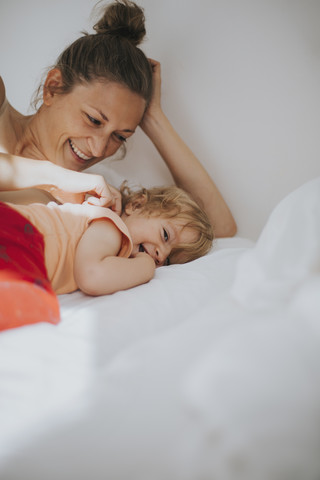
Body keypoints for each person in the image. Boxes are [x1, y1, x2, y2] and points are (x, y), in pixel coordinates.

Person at [0, 0, 236, 237]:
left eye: (119, 136)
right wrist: (54, 177)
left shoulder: (96, 197)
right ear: (53, 88)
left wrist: (154, 119)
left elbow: (218, 228)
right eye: (94, 120)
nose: (99, 149)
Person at [0, 183, 214, 331]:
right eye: (165, 235)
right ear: (136, 205)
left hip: (18, 242)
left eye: (168, 260)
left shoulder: (114, 249)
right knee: (33, 310)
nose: (161, 255)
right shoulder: (110, 225)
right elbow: (92, 276)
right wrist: (146, 267)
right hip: (16, 231)